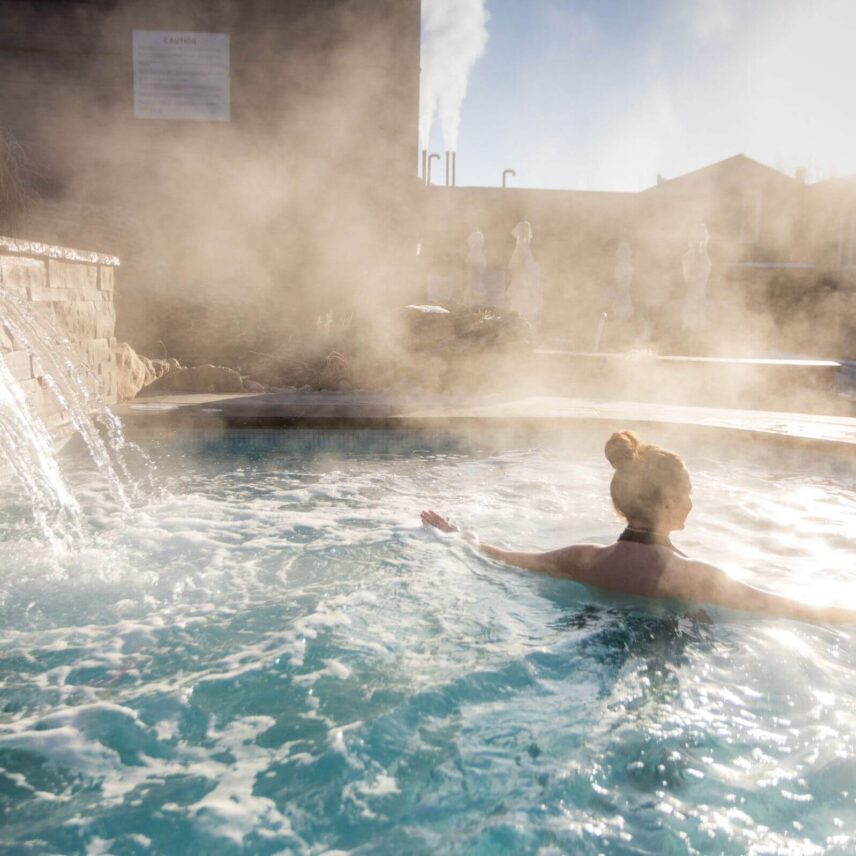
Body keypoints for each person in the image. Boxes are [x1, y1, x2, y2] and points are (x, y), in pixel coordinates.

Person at [421, 431, 856, 624]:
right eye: (687, 492)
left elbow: (500, 556)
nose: (691, 502)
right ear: (667, 502)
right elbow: (789, 608)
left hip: (588, 641)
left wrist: (454, 532)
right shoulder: (698, 577)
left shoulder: (583, 559)